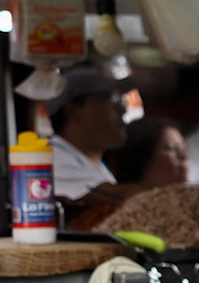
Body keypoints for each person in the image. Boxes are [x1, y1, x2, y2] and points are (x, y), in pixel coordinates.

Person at [46, 66, 138, 206]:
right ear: (73, 110)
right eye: (112, 100)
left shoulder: (94, 163)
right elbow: (113, 197)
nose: (123, 110)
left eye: (121, 100)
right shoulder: (53, 159)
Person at [106, 117, 190, 189]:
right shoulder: (116, 207)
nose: (184, 155)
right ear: (140, 160)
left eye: (183, 148)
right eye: (171, 148)